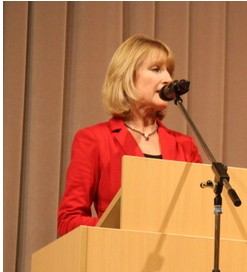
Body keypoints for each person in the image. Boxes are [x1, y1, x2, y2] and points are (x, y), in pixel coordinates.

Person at [57, 34, 203, 236]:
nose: (169, 79)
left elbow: (201, 214)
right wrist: (124, 228)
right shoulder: (94, 139)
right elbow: (68, 221)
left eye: (169, 71)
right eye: (156, 69)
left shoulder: (184, 145)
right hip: (116, 252)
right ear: (127, 76)